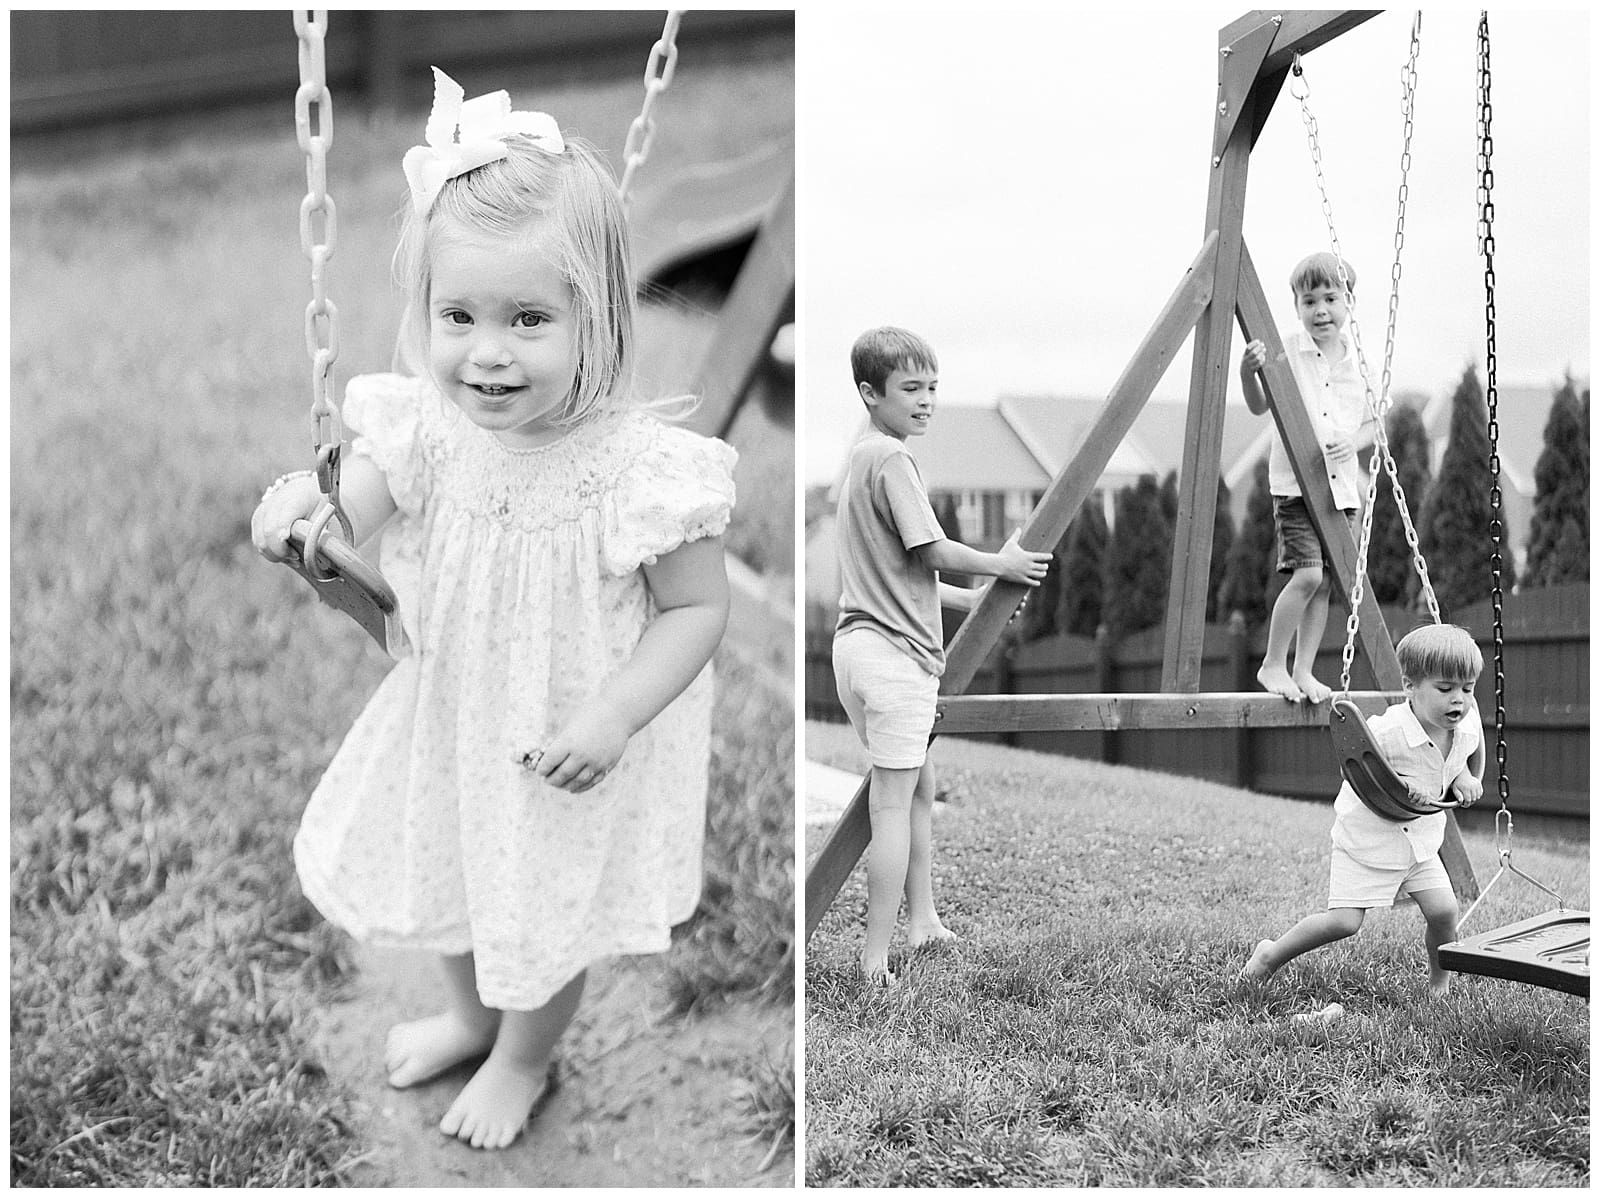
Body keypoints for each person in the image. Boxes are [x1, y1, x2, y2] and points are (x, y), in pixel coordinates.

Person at [250, 69, 736, 1151]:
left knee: (541, 907)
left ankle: (524, 1055)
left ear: (595, 316)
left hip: (567, 737)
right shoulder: (424, 426)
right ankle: (471, 1017)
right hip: (454, 714)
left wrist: (613, 715)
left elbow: (697, 614)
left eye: (528, 318)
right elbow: (346, 519)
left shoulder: (642, 471)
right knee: (458, 868)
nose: (487, 351)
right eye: (458, 314)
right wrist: (303, 523)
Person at [832, 327, 1051, 984]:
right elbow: (929, 551)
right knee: (892, 805)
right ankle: (874, 962)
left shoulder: (859, 457)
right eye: (911, 389)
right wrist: (1000, 561)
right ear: (871, 393)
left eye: (932, 388)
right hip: (894, 663)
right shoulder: (894, 461)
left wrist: (975, 601)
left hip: (856, 650)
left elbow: (900, 573)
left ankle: (923, 919)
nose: (926, 401)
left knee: (917, 787)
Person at [1242, 623, 1485, 998]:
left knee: (1444, 911)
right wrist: (1404, 783)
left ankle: (1439, 983)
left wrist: (1464, 777)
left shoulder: (1465, 728)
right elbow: (1353, 765)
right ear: (1410, 686)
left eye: (1467, 689)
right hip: (1368, 839)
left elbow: (1458, 760)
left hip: (1418, 843)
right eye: (1445, 689)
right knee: (1343, 923)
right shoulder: (1387, 730)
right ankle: (1270, 954)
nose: (1459, 700)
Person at [1238, 252, 1378, 704]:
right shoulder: (1287, 351)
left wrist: (1354, 443)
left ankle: (1303, 670)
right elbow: (1262, 407)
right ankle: (1272, 664)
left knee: (1327, 583)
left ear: (1348, 303)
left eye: (1330, 299)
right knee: (1307, 576)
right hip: (1296, 486)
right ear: (1297, 307)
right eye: (1309, 301)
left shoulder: (1360, 363)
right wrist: (1248, 372)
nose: (1320, 310)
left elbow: (1377, 422)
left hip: (1341, 489)